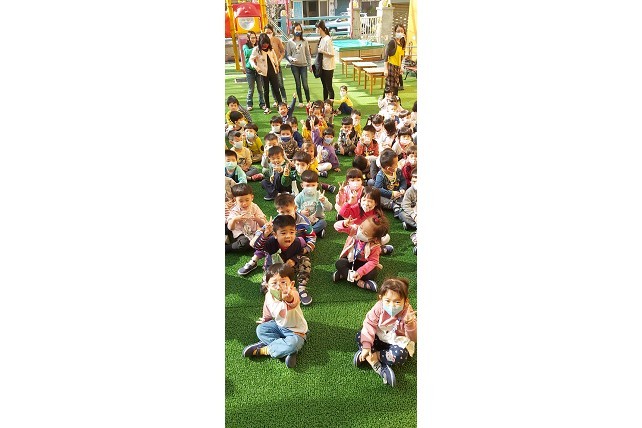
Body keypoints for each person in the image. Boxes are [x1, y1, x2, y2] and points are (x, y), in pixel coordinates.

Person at [242, 263, 308, 368]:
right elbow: (267, 309)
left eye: (283, 282)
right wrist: (265, 319)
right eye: (274, 283)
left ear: (291, 284)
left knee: (293, 344)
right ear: (267, 286)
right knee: (260, 329)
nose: (278, 286)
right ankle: (285, 350)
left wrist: (288, 297)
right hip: (279, 326)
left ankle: (265, 350)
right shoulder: (268, 295)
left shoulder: (293, 293)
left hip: (296, 331)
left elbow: (294, 301)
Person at [354, 277, 417, 387]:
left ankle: (372, 357)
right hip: (379, 336)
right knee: (361, 336)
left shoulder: (408, 313)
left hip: (395, 342)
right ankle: (376, 364)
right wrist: (367, 346)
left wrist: (410, 324)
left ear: (406, 301)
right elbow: (369, 324)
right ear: (381, 298)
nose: (392, 306)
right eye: (387, 301)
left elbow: (413, 339)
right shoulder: (379, 307)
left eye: (397, 302)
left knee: (401, 355)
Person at [252, 214, 313, 306]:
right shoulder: (271, 242)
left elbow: (300, 252)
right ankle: (281, 292)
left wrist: (294, 259)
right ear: (275, 235)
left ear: (295, 232)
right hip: (273, 269)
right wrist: (265, 234)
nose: (288, 236)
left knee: (305, 260)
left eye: (292, 232)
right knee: (264, 288)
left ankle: (301, 287)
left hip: (290, 267)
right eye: (283, 233)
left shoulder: (297, 242)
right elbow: (258, 247)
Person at [333, 215, 389, 291]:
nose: (360, 232)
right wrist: (344, 224)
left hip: (364, 264)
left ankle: (344, 274)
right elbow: (337, 227)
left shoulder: (375, 247)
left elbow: (373, 261)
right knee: (339, 263)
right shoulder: (354, 230)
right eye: (361, 227)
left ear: (374, 238)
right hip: (351, 260)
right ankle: (360, 283)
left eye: (365, 233)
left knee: (372, 274)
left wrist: (360, 272)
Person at [335, 185, 393, 254]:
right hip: (357, 232)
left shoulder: (377, 213)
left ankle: (376, 249)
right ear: (360, 200)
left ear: (376, 203)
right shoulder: (357, 208)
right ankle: (379, 250)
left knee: (386, 237)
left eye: (370, 201)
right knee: (356, 248)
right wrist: (349, 203)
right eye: (364, 200)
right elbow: (342, 213)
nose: (366, 204)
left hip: (369, 235)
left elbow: (380, 228)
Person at [226, 183, 267, 252]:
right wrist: (235, 219)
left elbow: (263, 224)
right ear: (235, 200)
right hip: (241, 234)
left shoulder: (254, 207)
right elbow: (230, 228)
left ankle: (254, 243)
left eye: (247, 200)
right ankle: (227, 247)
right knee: (244, 243)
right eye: (241, 201)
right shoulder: (235, 210)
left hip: (255, 232)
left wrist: (257, 219)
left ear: (252, 197)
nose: (244, 203)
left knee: (267, 235)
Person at [249, 33, 282, 115]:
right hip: (263, 73)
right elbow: (251, 59)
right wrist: (256, 67)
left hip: (272, 71)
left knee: (276, 89)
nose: (265, 45)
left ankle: (280, 105)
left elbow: (274, 57)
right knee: (266, 90)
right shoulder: (256, 49)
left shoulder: (270, 49)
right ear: (260, 42)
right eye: (263, 43)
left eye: (267, 43)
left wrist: (277, 65)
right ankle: (267, 107)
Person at [295, 170, 333, 238]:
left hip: (316, 219)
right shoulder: (299, 197)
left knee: (323, 223)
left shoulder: (319, 195)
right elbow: (293, 209)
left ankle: (306, 234)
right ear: (302, 185)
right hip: (303, 220)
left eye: (313, 185)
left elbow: (329, 208)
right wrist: (300, 211)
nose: (310, 188)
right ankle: (316, 232)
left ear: (317, 185)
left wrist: (324, 201)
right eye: (307, 185)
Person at [374, 148, 407, 217]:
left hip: (398, 194)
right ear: (389, 168)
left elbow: (403, 180)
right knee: (377, 198)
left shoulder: (398, 171)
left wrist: (402, 188)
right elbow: (378, 189)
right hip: (387, 196)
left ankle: (402, 205)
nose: (397, 165)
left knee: (406, 195)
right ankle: (394, 206)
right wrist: (391, 193)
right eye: (396, 164)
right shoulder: (380, 175)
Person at [285, 23, 311, 108]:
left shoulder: (305, 41)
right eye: (296, 29)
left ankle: (308, 101)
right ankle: (300, 101)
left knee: (305, 84)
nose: (298, 31)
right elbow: (288, 54)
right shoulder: (290, 42)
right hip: (294, 66)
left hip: (303, 65)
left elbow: (308, 54)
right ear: (293, 30)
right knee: (298, 84)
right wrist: (291, 59)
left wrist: (310, 65)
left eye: (299, 29)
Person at [263, 24, 287, 106]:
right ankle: (276, 100)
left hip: (277, 65)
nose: (268, 34)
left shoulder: (277, 40)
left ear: (272, 32)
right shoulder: (262, 41)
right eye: (266, 32)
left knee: (280, 83)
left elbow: (283, 51)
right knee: (272, 85)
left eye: (269, 32)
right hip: (268, 67)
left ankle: (284, 99)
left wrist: (279, 60)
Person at [242, 31, 265, 111]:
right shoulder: (245, 46)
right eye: (251, 38)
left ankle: (262, 103)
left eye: (254, 37)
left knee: (260, 88)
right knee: (251, 88)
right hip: (250, 70)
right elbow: (247, 53)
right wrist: (256, 49)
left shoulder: (258, 45)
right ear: (248, 38)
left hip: (258, 69)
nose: (253, 39)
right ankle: (249, 104)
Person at [383, 24, 407, 96]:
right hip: (391, 67)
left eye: (401, 31)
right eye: (398, 31)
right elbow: (386, 55)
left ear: (404, 32)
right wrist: (385, 69)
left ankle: (392, 102)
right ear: (395, 32)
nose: (400, 32)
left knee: (395, 89)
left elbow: (401, 56)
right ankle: (384, 102)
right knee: (389, 90)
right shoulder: (392, 42)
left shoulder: (402, 43)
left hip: (397, 69)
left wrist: (401, 67)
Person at [315, 20, 335, 101]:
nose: (315, 30)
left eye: (316, 28)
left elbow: (332, 54)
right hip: (322, 66)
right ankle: (325, 102)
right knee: (324, 86)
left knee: (329, 86)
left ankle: (330, 104)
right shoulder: (321, 39)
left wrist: (322, 51)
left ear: (320, 28)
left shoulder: (327, 39)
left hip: (328, 67)